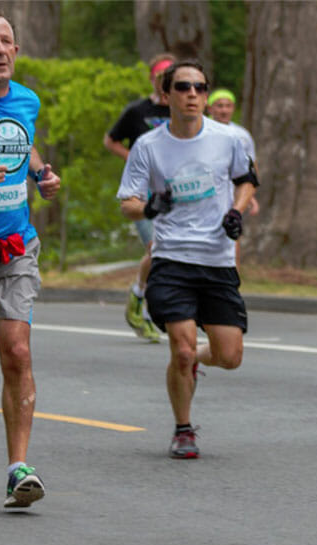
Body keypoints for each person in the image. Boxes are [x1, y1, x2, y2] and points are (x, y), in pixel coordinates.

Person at [117, 60, 258, 459]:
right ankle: (183, 428)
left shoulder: (227, 139)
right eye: (183, 87)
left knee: (230, 356)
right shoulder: (148, 146)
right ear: (166, 96)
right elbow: (127, 202)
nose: (193, 94)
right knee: (179, 348)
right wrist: (148, 207)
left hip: (217, 259)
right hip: (172, 258)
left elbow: (246, 179)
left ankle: (191, 360)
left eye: (200, 87)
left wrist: (236, 211)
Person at [0, 6, 61, 507]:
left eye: (6, 42)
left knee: (18, 352)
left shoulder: (26, 100)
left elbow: (24, 147)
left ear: (16, 51)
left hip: (13, 248)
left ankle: (17, 468)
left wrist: (39, 175)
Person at [104, 53, 176, 343]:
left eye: (171, 77)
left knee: (166, 248)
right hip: (142, 191)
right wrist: (133, 158)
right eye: (160, 77)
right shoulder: (136, 111)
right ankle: (142, 305)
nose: (165, 83)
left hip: (173, 189)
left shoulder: (185, 109)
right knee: (156, 247)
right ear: (152, 79)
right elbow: (110, 141)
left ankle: (141, 298)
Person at [206, 88, 260, 218]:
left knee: (232, 231)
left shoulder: (242, 135)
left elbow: (252, 166)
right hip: (206, 194)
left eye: (228, 106)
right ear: (210, 108)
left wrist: (250, 196)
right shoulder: (201, 131)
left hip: (232, 195)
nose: (224, 110)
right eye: (219, 106)